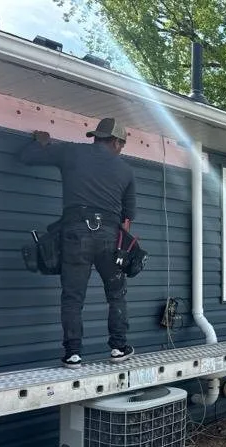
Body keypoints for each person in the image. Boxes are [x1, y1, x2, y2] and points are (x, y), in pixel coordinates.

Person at [19, 117, 137, 368]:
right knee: (116, 294)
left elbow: (27, 157)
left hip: (76, 233)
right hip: (109, 236)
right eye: (122, 144)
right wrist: (122, 249)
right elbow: (127, 218)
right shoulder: (125, 171)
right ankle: (118, 347)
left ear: (96, 136)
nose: (121, 150)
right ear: (115, 141)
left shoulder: (71, 151)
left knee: (73, 297)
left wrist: (41, 142)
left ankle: (73, 354)